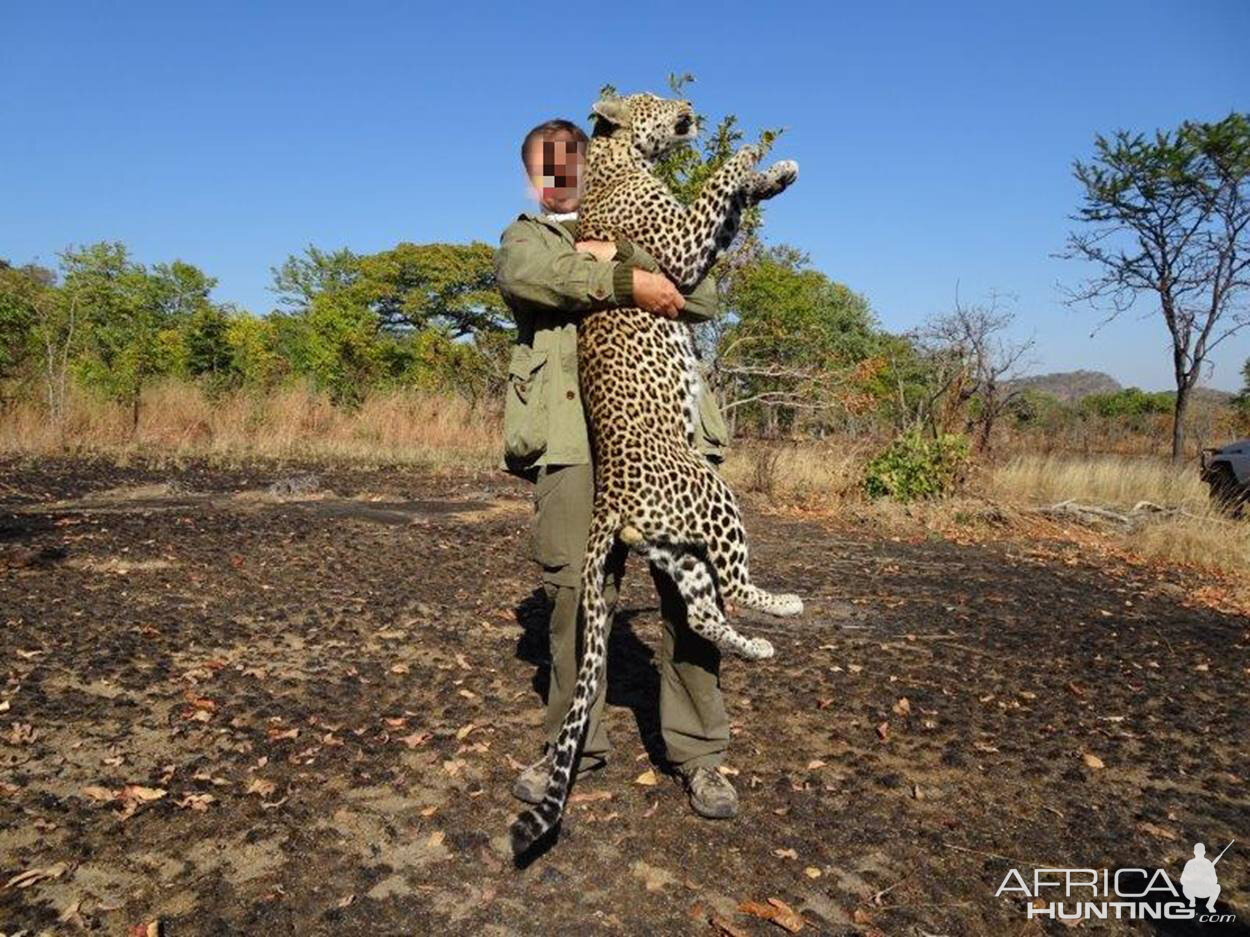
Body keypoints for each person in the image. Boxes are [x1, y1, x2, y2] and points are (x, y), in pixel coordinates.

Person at [494, 117, 740, 819]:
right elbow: (534, 278)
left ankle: (700, 755)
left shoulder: (629, 219)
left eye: (569, 161)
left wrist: (622, 249)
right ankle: (575, 749)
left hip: (663, 440)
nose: (557, 176)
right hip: (573, 445)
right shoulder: (525, 238)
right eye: (544, 167)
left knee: (691, 589)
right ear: (529, 178)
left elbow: (702, 296)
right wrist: (628, 276)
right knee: (575, 595)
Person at [1180, 842, 1222, 913]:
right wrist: (1192, 880)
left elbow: (1215, 880)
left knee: (1217, 887)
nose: (1199, 853)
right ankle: (1192, 900)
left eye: (1201, 851)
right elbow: (1182, 879)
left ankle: (1210, 905)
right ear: (1194, 852)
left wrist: (1206, 879)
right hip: (1192, 890)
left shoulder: (1208, 864)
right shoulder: (1190, 863)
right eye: (1197, 851)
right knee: (1185, 887)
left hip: (1204, 890)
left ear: (1204, 852)